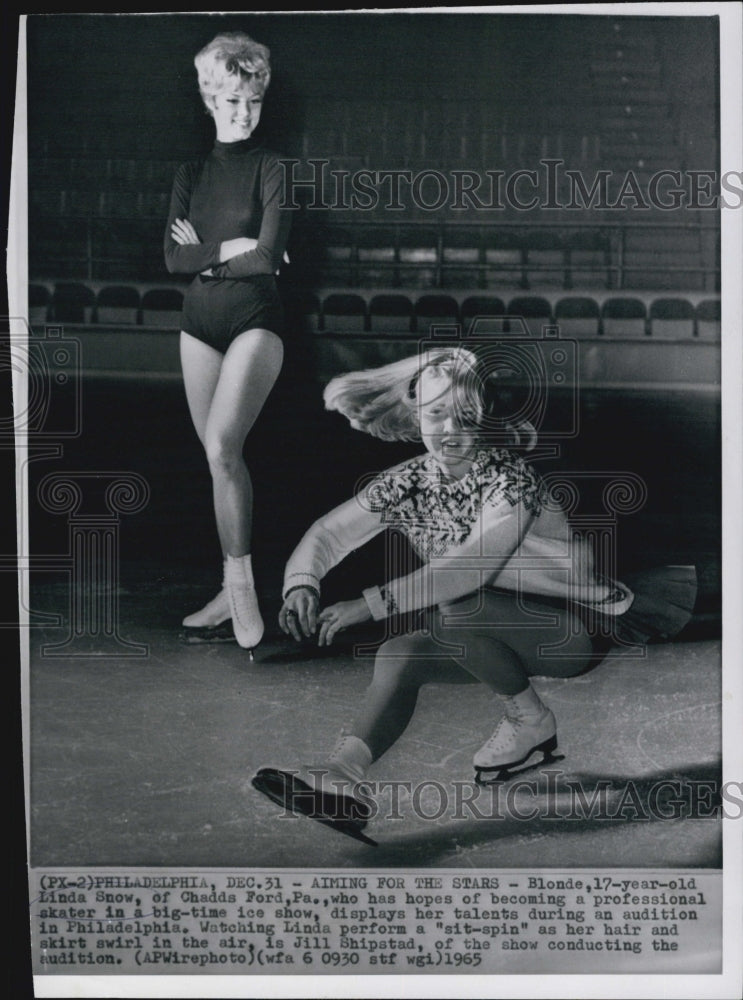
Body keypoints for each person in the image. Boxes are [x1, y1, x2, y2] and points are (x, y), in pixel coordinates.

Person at [253, 347, 697, 839]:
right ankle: (342, 776)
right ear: (415, 413)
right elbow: (327, 534)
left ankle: (530, 720)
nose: (449, 429)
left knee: (456, 607)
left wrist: (369, 603)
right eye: (436, 413)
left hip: (574, 628)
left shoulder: (509, 479)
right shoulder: (409, 483)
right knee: (400, 653)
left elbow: (471, 567)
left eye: (465, 416)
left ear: (485, 420)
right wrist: (302, 583)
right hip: (503, 629)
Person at [164, 31, 292, 650]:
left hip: (254, 322)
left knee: (221, 447)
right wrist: (227, 251)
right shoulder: (189, 172)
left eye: (254, 102)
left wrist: (206, 257)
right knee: (220, 462)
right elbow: (169, 257)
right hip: (198, 326)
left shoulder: (273, 168)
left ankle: (242, 591)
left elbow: (267, 259)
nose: (244, 114)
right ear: (211, 100)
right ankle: (225, 590)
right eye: (232, 101)